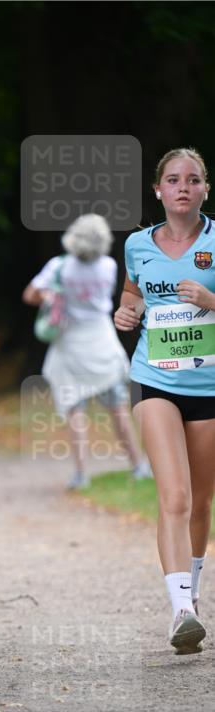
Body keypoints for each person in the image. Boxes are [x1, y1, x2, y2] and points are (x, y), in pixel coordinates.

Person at [114, 147, 215, 654]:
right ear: (158, 190)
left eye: (193, 179)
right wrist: (125, 312)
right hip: (154, 379)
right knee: (174, 496)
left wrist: (211, 301)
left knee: (201, 502)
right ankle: (180, 611)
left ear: (204, 190)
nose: (183, 187)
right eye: (173, 179)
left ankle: (192, 595)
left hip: (209, 387)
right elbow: (132, 295)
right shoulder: (137, 244)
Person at [23, 213, 151, 489]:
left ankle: (81, 473)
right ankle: (138, 465)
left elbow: (30, 294)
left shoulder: (59, 266)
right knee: (118, 409)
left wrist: (49, 296)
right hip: (102, 342)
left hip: (70, 344)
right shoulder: (108, 266)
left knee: (75, 410)